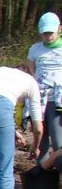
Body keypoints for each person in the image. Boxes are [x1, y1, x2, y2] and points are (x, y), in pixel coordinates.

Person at [27, 12, 62, 162]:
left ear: (59, 29)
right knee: (41, 139)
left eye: (51, 33)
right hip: (39, 99)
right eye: (44, 33)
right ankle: (42, 177)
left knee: (58, 141)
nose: (48, 37)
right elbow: (31, 70)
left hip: (58, 101)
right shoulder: (35, 49)